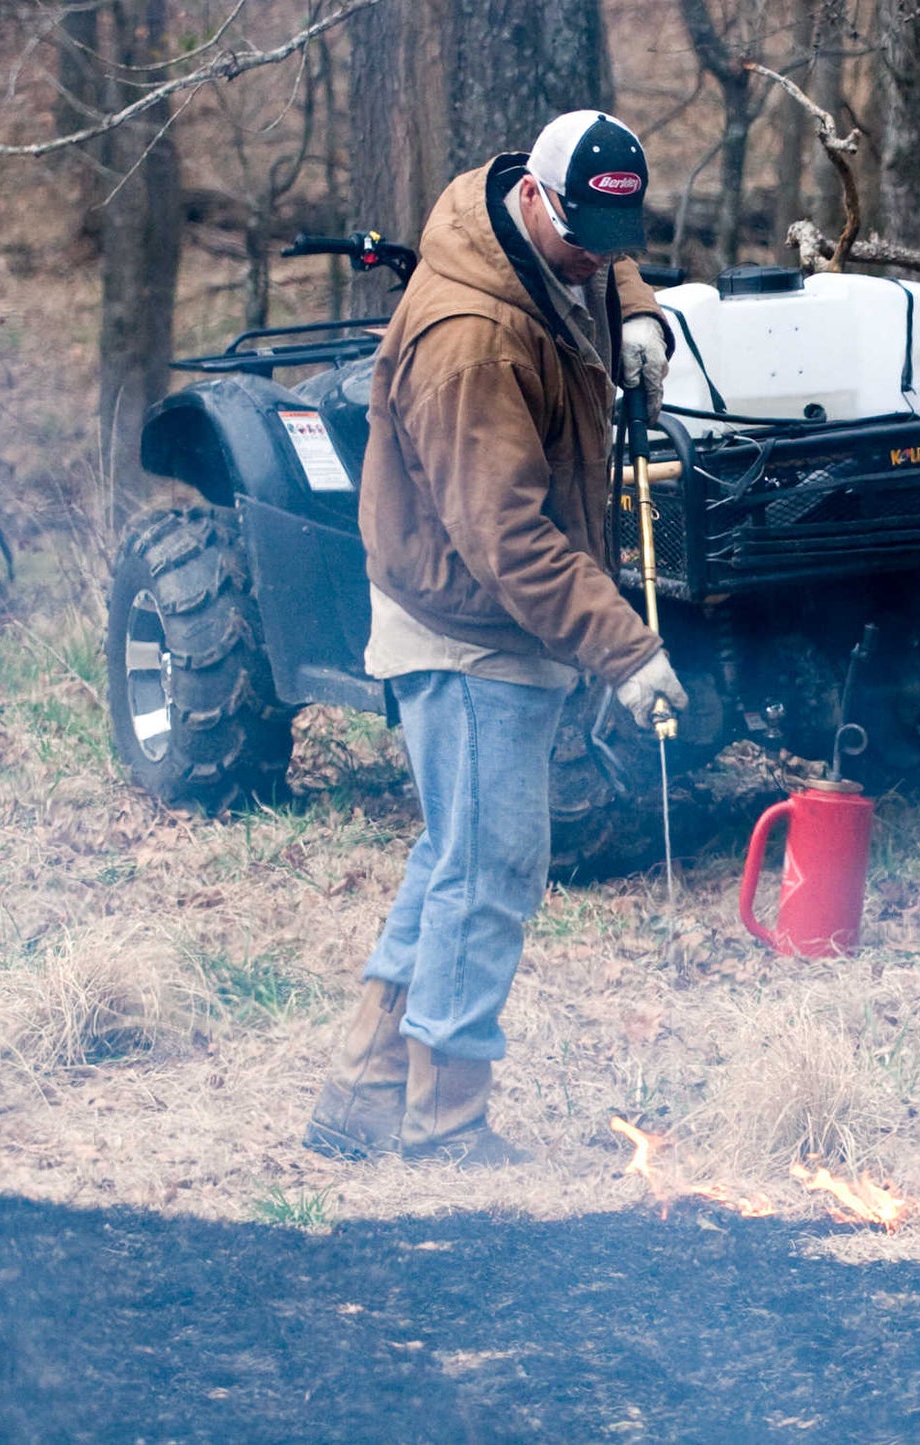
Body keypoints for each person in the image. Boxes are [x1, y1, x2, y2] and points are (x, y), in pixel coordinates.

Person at [304, 112, 688, 1168]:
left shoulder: (553, 236)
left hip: (491, 610)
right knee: (492, 868)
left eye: (620, 237)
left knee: (452, 854)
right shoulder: (470, 341)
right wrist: (625, 649)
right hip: (466, 623)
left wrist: (639, 314)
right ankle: (442, 1119)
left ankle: (362, 1093)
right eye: (586, 236)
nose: (601, 256)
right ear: (533, 201)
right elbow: (506, 541)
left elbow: (600, 274)